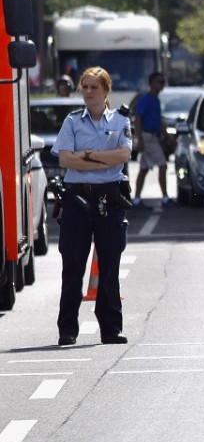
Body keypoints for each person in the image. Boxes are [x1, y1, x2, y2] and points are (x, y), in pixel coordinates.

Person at [50, 67, 133, 346]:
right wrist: (101, 160)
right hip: (77, 198)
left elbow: (123, 155)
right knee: (73, 263)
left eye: (94, 87)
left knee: (110, 265)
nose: (88, 92)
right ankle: (67, 329)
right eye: (84, 87)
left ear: (106, 91)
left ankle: (110, 328)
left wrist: (87, 154)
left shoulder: (120, 121)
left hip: (109, 197)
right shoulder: (72, 122)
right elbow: (65, 160)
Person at [133, 71, 171, 207]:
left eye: (163, 82)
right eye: (160, 82)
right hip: (147, 136)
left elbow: (158, 121)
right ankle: (165, 197)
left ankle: (136, 198)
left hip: (153, 137)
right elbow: (138, 119)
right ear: (152, 83)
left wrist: (167, 136)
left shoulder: (156, 100)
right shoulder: (146, 99)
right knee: (163, 165)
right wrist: (140, 139)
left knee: (143, 169)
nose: (162, 85)